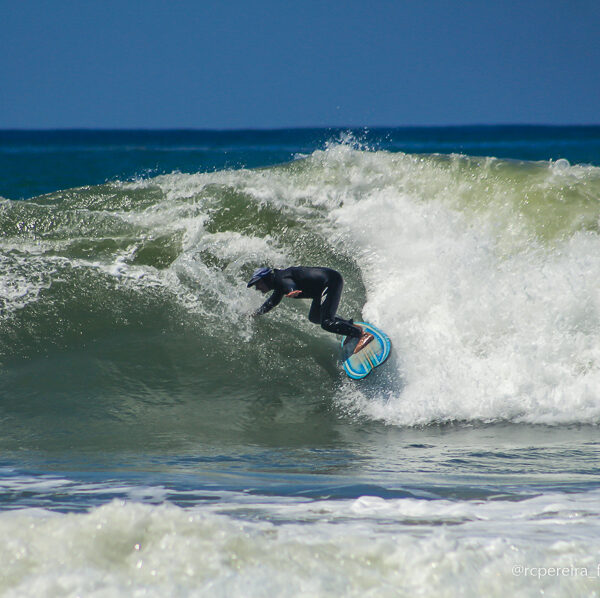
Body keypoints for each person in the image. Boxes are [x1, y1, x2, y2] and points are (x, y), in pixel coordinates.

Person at [247, 266, 374, 354]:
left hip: (330, 282)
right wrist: (255, 314)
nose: (257, 288)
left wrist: (293, 291)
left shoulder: (281, 279)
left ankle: (362, 335)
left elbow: (289, 284)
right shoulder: (278, 284)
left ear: (266, 279)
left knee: (326, 323)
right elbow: (271, 302)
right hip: (323, 286)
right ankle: (350, 326)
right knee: (314, 317)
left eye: (258, 284)